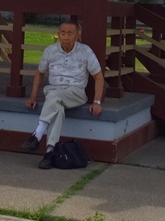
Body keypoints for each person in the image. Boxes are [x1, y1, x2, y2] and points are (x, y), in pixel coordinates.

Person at [22, 20, 104, 169]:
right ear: (58, 34)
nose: (66, 37)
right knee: (56, 107)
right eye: (63, 33)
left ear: (78, 36)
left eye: (70, 33)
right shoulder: (50, 51)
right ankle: (49, 152)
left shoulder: (85, 51)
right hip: (54, 91)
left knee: (53, 97)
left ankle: (36, 135)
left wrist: (97, 101)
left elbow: (98, 77)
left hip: (76, 92)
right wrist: (33, 96)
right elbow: (39, 73)